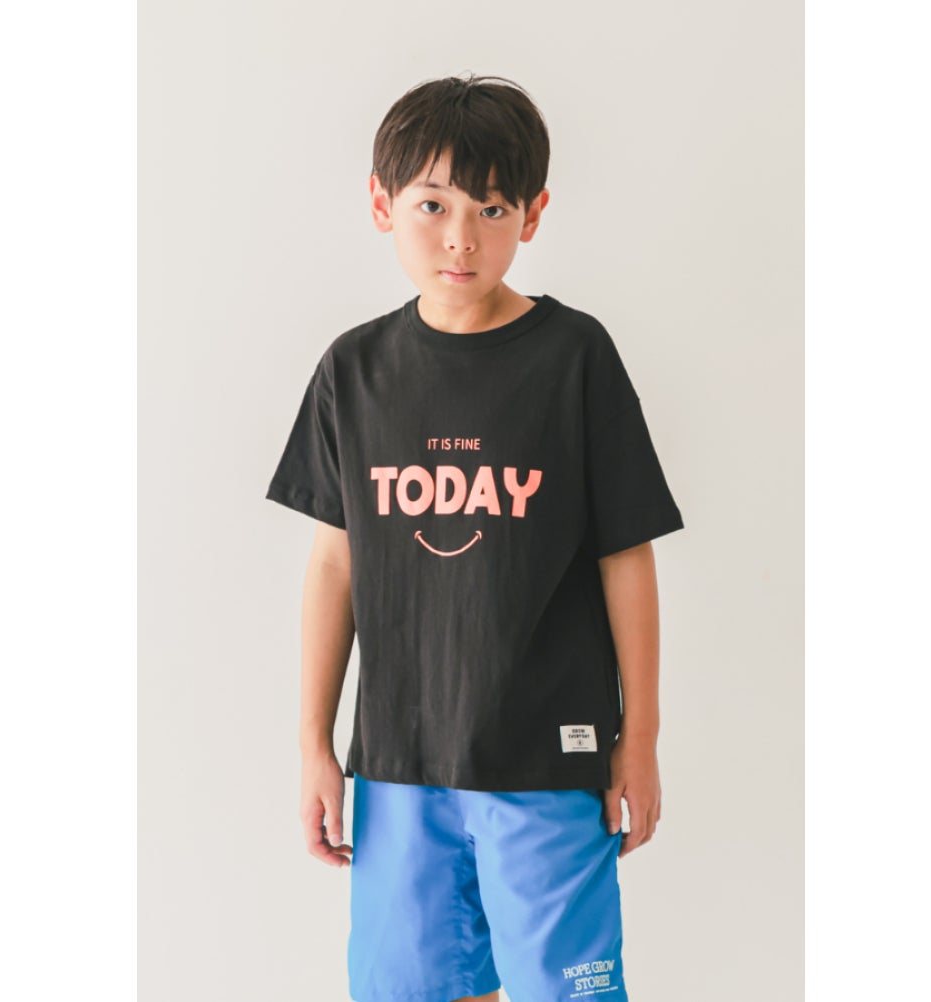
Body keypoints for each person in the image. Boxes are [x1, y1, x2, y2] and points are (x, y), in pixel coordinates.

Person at [265, 72, 685, 1002]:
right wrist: (313, 744)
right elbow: (334, 564)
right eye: (434, 204)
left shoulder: (575, 358)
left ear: (532, 215)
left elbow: (627, 555)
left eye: (492, 208)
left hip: (548, 758)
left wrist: (641, 736)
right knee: (413, 989)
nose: (461, 236)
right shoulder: (354, 370)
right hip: (398, 766)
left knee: (564, 991)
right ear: (382, 204)